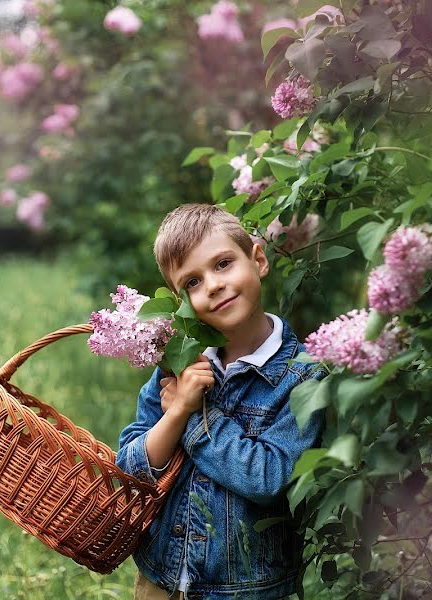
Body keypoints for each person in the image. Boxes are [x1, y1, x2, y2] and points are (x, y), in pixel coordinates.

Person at [115, 203, 328, 600]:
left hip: (245, 590)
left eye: (224, 263)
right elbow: (132, 469)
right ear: (180, 303)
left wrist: (195, 417)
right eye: (192, 282)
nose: (212, 285)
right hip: (160, 579)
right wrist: (176, 411)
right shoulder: (176, 366)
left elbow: (269, 477)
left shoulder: (302, 378)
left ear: (258, 260)